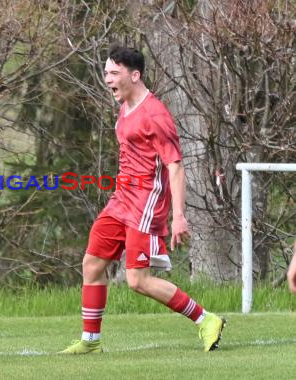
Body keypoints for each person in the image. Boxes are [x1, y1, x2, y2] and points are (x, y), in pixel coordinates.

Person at [60, 44, 225, 354]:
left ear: (135, 75)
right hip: (121, 198)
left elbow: (175, 166)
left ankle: (207, 319)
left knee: (138, 281)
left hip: (145, 203)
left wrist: (179, 216)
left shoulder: (155, 114)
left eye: (113, 73)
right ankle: (90, 341)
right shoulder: (125, 105)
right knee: (92, 264)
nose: (107, 79)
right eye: (105, 72)